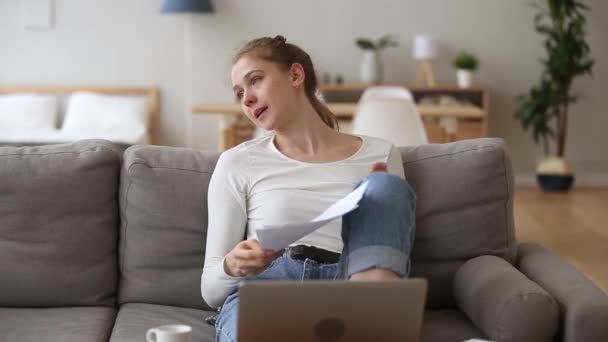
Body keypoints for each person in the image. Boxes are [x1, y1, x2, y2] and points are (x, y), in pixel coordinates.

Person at [200, 35, 417, 342]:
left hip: (353, 286)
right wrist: (233, 265)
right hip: (268, 288)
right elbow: (210, 290)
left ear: (295, 75)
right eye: (239, 92)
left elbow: (392, 246)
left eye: (255, 80)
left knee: (384, 187)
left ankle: (371, 313)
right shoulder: (236, 162)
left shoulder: (381, 153)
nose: (246, 99)